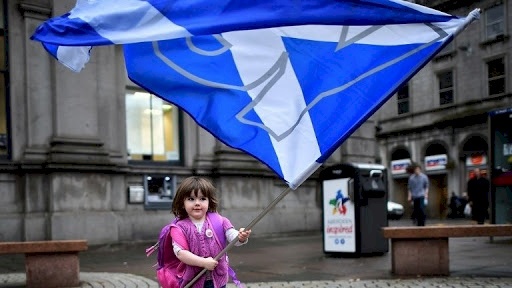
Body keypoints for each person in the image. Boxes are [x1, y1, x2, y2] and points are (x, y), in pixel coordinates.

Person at [170, 176, 251, 288]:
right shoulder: (179, 227)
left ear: (209, 201)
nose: (197, 203)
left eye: (202, 199)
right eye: (191, 199)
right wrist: (203, 263)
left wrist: (241, 236)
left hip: (218, 279)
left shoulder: (219, 221)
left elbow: (232, 236)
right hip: (194, 281)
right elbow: (180, 253)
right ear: (182, 202)